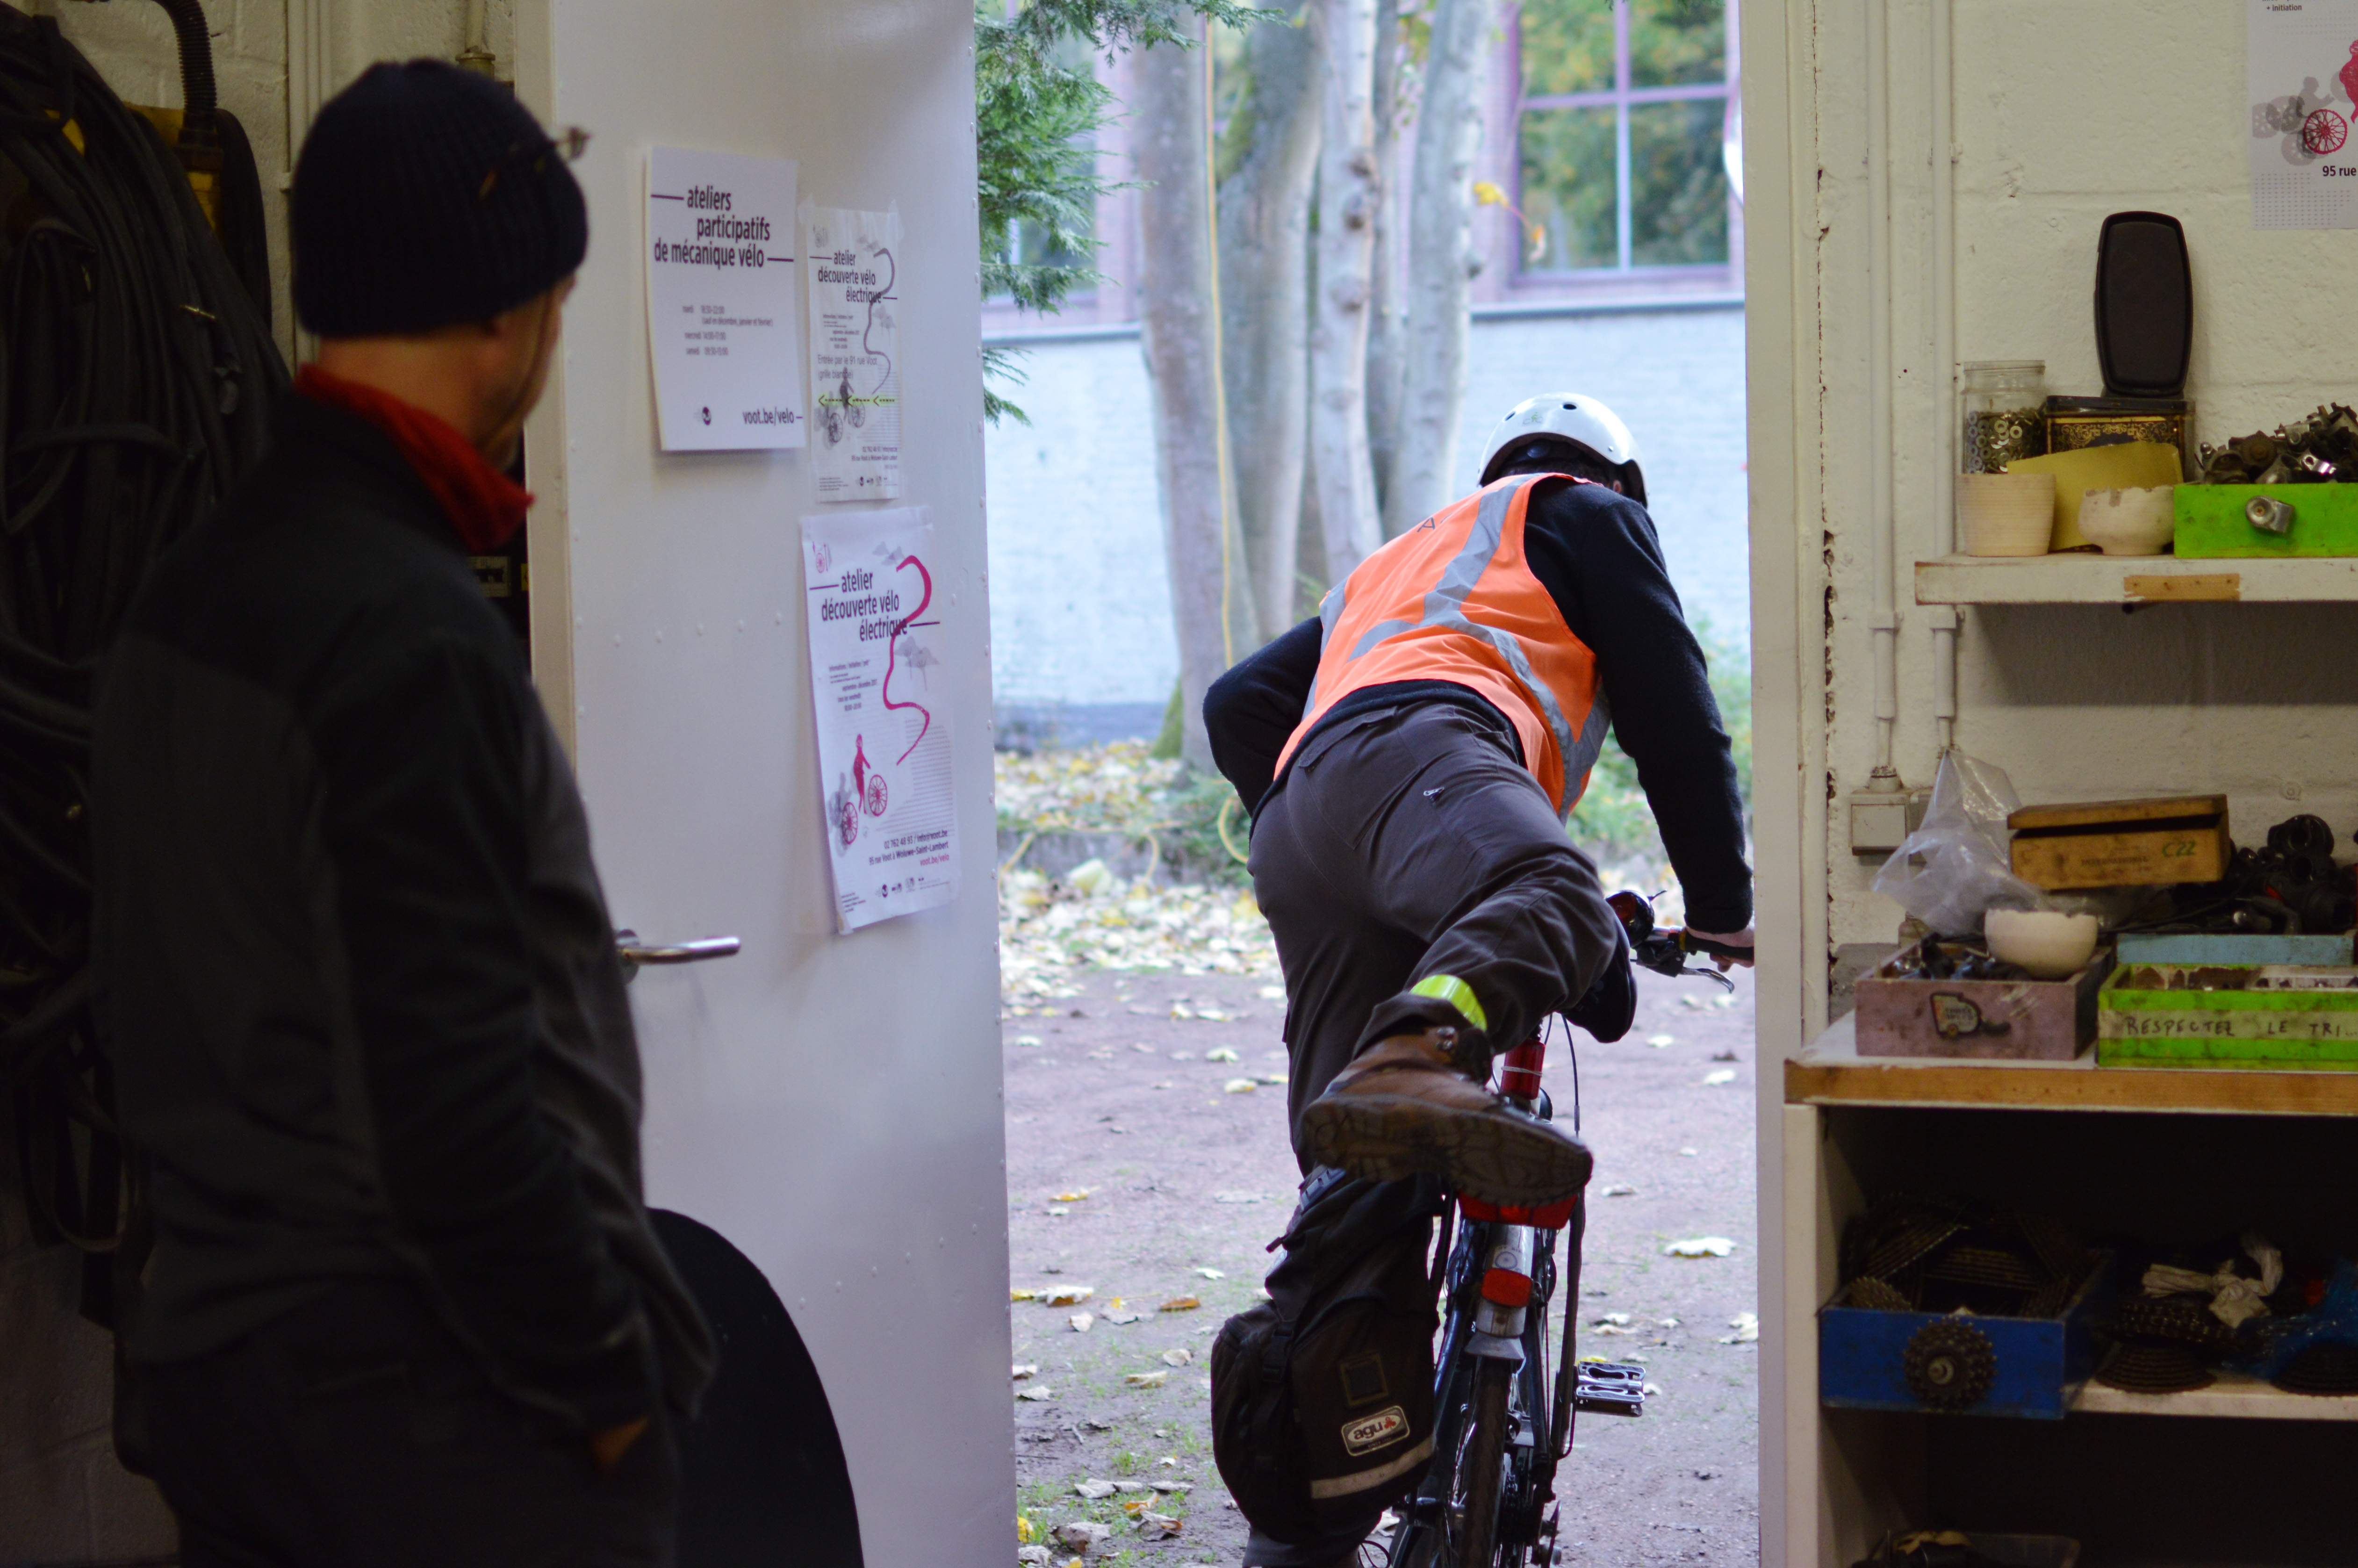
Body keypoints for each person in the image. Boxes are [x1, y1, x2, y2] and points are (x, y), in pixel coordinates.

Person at [91, 62, 710, 1568]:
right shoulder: (403, 636)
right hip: (432, 1415)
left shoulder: (191, 593)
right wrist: (604, 1380)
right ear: (513, 310)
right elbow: (445, 1099)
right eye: (559, 302)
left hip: (222, 1379)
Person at [1203, 394, 1753, 1562]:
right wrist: (1722, 911)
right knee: (1549, 896)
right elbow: (1672, 708)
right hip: (1423, 749)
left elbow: (1239, 704)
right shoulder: (1587, 512)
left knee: (1357, 1180)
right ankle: (1428, 1043)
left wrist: (1336, 834)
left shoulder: (1406, 558)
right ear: (1620, 478)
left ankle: (1301, 1535)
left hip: (1303, 820)